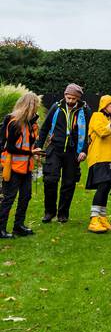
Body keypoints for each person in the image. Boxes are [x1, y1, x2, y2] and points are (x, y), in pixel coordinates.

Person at [40, 83, 88, 224]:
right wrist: (38, 146)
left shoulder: (84, 111)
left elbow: (88, 132)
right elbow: (44, 128)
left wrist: (84, 150)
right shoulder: (57, 108)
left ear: (78, 98)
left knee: (69, 183)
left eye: (73, 98)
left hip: (73, 152)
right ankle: (49, 212)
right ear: (65, 95)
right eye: (68, 97)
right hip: (55, 149)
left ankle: (63, 214)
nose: (70, 101)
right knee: (50, 180)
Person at [0, 91, 41, 239]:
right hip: (12, 167)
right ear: (29, 106)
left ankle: (19, 226)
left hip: (26, 167)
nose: (36, 109)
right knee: (9, 197)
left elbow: (28, 143)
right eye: (35, 106)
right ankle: (1, 229)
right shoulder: (14, 122)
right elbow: (9, 147)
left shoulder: (31, 123)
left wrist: (33, 152)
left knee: (26, 196)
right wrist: (31, 152)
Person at [85, 95, 111, 233]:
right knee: (103, 186)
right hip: (99, 157)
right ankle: (94, 218)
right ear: (104, 104)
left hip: (110, 158)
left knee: (106, 187)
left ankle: (102, 217)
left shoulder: (110, 120)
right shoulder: (97, 116)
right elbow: (102, 132)